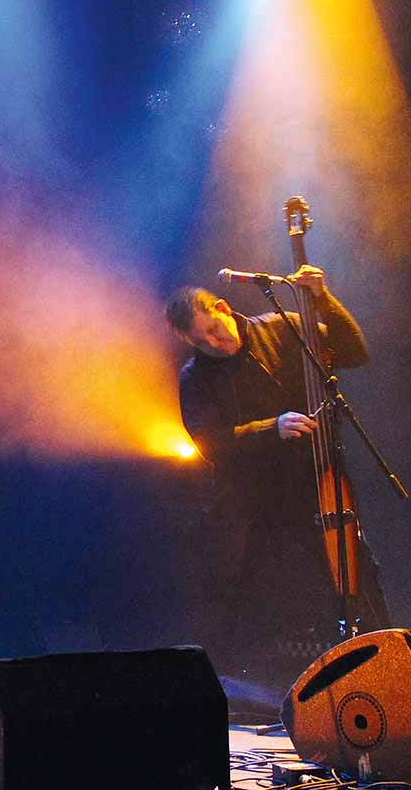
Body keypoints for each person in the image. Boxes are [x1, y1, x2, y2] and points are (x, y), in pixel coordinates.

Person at [167, 265, 390, 690]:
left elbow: (353, 351)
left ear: (223, 308)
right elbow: (210, 442)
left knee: (354, 567)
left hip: (316, 476)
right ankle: (270, 689)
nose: (213, 344)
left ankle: (382, 667)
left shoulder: (281, 328)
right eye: (200, 342)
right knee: (266, 589)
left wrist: (322, 298)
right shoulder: (195, 377)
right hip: (255, 500)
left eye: (213, 330)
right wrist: (274, 427)